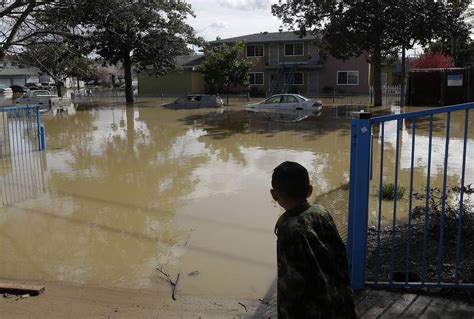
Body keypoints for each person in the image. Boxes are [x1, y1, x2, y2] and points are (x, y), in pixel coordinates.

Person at [271, 161, 357, 319]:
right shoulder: (321, 212)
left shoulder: (288, 229)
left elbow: (291, 285)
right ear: (309, 191)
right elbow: (340, 255)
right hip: (341, 302)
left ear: (274, 195)